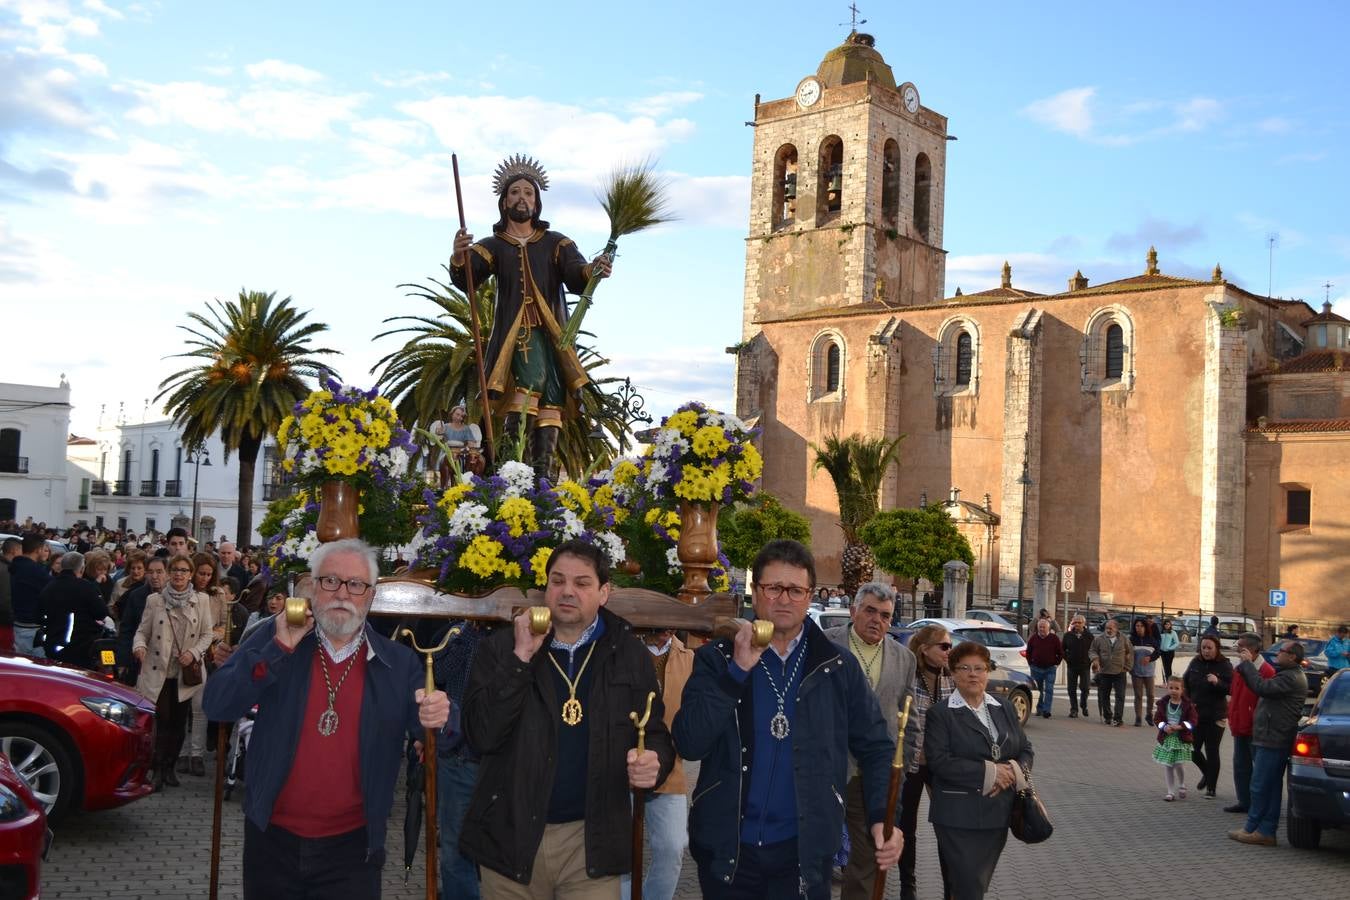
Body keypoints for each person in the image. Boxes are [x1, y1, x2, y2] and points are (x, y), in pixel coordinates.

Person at [203, 538, 449, 899]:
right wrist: (276, 651)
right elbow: (218, 703)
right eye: (330, 581)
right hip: (272, 841)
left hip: (353, 851)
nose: (342, 594)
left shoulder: (399, 664)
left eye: (356, 584)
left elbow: (438, 731)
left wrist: (444, 716)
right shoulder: (277, 639)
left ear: (371, 595)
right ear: (313, 588)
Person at [673, 540, 902, 900]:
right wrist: (738, 671)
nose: (784, 599)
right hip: (729, 850)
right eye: (773, 588)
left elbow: (876, 747)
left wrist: (882, 816)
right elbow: (689, 742)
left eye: (795, 590)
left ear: (810, 595)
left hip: (804, 852)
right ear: (754, 591)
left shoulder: (837, 666)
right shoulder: (717, 659)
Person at [460, 539, 671, 899]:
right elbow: (480, 735)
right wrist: (521, 658)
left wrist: (656, 762)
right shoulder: (502, 647)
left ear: (604, 592)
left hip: (591, 843)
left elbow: (654, 733)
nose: (567, 591)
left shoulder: (629, 653)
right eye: (557, 581)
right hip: (511, 836)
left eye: (582, 583)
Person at [449, 154, 612, 478]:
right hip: (517, 333)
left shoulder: (555, 243)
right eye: (515, 192)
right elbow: (468, 278)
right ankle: (513, 471)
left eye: (528, 193)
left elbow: (576, 274)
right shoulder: (493, 245)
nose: (522, 198)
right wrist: (458, 256)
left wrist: (593, 269)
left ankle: (543, 479)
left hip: (555, 335)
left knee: (552, 399)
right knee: (530, 384)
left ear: (536, 203)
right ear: (504, 201)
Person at [823, 582, 916, 900]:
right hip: (826, 770)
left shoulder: (904, 658)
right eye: (871, 611)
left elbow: (909, 716)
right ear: (854, 611)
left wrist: (904, 765)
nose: (878, 620)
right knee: (815, 857)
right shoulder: (825, 644)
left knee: (866, 862)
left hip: (873, 778)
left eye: (886, 615)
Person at [924, 641, 1034, 900]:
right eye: (965, 668)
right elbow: (939, 761)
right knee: (968, 885)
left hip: (997, 814)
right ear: (953, 673)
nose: (973, 674)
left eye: (979, 668)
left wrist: (1012, 770)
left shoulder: (1004, 706)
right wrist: (991, 772)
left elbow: (1026, 749)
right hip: (957, 817)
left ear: (988, 672)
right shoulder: (941, 714)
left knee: (973, 885)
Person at [620, 628, 695, 900]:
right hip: (622, 768)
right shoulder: (622, 648)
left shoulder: (688, 658)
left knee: (672, 848)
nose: (665, 631)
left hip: (671, 767)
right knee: (622, 857)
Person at [133, 553, 214, 791]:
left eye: (184, 570)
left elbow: (207, 634)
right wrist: (139, 645)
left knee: (179, 722)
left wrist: (195, 653)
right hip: (158, 670)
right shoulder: (154, 600)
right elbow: (141, 631)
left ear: (190, 575)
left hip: (184, 671)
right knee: (161, 720)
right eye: (175, 570)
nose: (179, 574)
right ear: (169, 573)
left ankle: (169, 767)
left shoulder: (201, 601)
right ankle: (156, 768)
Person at [427, 617, 486, 900]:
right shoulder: (459, 632)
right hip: (460, 758)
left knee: (501, 851)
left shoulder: (521, 630)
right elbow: (438, 671)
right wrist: (468, 633)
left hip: (505, 764)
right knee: (454, 851)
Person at [1228, 639, 1307, 846]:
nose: (1277, 654)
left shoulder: (1291, 678)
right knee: (1270, 786)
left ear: (1292, 657)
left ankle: (1253, 828)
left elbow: (1261, 687)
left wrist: (1246, 664)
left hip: (1274, 739)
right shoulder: (1289, 675)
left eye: (1281, 651)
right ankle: (1265, 831)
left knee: (1259, 785)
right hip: (1271, 737)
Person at [897, 625, 953, 900]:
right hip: (911, 762)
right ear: (924, 649)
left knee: (947, 825)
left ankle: (951, 888)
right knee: (907, 826)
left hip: (940, 762)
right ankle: (908, 885)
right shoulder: (909, 677)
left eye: (949, 646)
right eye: (943, 646)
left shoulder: (949, 678)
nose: (948, 651)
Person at [1224, 632, 1274, 815]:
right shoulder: (1239, 669)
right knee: (1241, 766)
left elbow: (1266, 698)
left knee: (1258, 769)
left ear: (1253, 650)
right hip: (1239, 725)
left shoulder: (1266, 671)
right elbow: (1235, 694)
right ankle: (1244, 801)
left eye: (1242, 648)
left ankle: (1260, 804)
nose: (1238, 651)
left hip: (1255, 728)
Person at [40, 550, 112, 666]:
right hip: (80, 646)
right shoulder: (86, 587)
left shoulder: (49, 587)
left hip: (52, 644)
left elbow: (40, 613)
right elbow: (101, 612)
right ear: (82, 568)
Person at [1182, 635, 1232, 799]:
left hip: (1215, 715)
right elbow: (1186, 681)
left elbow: (1230, 688)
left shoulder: (1224, 665)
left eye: (1209, 648)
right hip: (1196, 714)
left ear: (1216, 648)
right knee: (1191, 749)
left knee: (1212, 751)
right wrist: (1188, 701)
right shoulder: (1196, 662)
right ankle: (1207, 773)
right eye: (1203, 647)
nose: (1206, 651)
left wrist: (1217, 682)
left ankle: (1211, 787)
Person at [118, 556, 166, 685]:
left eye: (159, 571)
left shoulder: (175, 596)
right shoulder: (136, 595)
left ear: (167, 573)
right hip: (141, 659)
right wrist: (124, 660)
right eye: (150, 572)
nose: (154, 576)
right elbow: (126, 629)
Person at [1151, 676, 1197, 801]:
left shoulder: (1188, 705)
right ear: (1167, 688)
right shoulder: (1163, 703)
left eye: (1177, 688)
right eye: (1171, 688)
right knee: (1168, 765)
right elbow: (1157, 719)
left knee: (1178, 764)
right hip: (1167, 738)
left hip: (1181, 739)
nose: (1173, 691)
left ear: (1182, 690)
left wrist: (1180, 726)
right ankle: (1170, 791)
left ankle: (1182, 784)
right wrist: (1164, 727)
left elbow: (1192, 722)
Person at [9, 534, 51, 656]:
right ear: (38, 550)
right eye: (43, 549)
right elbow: (53, 591)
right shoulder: (35, 571)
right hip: (32, 627)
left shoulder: (16, 567)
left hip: (18, 623)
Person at [1089, 618, 1132, 726]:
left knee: (1120, 696)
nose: (1108, 630)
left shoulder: (1124, 639)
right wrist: (1095, 659)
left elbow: (1130, 652)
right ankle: (1108, 716)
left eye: (1110, 628)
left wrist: (1127, 667)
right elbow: (1092, 650)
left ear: (1116, 629)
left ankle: (1117, 718)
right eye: (1106, 628)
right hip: (1104, 671)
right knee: (1104, 696)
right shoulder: (1099, 639)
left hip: (1119, 671)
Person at [1025, 617, 1063, 719]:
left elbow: (1060, 653)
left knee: (1049, 689)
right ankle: (1040, 708)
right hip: (1036, 668)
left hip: (1050, 668)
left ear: (1048, 628)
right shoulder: (1033, 638)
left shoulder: (1054, 638)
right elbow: (1028, 652)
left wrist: (1056, 663)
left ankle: (1047, 710)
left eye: (1043, 627)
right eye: (1040, 627)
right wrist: (1030, 663)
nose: (1041, 629)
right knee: (1039, 689)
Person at [1061, 614, 1093, 719]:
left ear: (1084, 624)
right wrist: (1067, 658)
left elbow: (1094, 650)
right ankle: (1074, 709)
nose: (1077, 625)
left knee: (1085, 688)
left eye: (1079, 623)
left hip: (1085, 666)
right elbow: (1062, 649)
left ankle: (1083, 704)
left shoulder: (1089, 636)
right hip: (1072, 666)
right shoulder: (1068, 635)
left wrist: (1091, 661)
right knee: (1071, 689)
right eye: (1075, 623)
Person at [1129, 618, 1159, 727]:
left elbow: (1158, 652)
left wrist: (1150, 658)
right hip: (1136, 672)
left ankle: (1149, 714)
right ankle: (1138, 717)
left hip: (1149, 672)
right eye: (1137, 626)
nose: (1139, 628)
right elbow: (1127, 654)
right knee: (1138, 695)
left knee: (1150, 695)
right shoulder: (1132, 640)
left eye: (1141, 626)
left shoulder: (1151, 640)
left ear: (1145, 627)